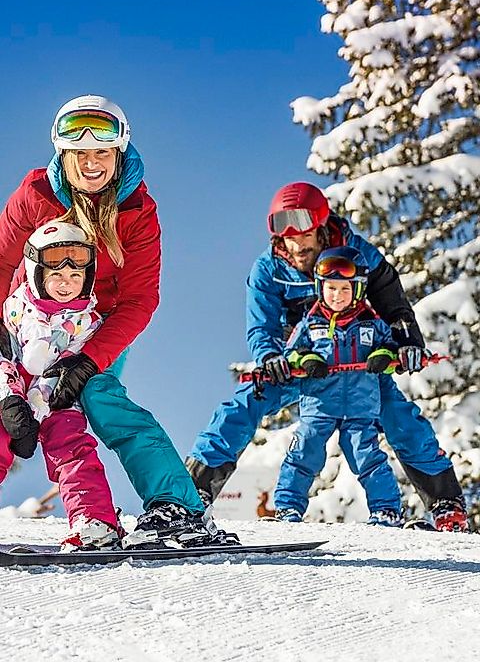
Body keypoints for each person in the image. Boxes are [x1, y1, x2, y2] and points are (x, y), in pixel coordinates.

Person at [0, 95, 229, 550]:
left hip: (91, 329)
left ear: (118, 151)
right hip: (26, 324)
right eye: (80, 153)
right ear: (63, 154)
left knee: (100, 399)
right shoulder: (36, 195)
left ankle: (176, 507)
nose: (91, 163)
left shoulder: (137, 211)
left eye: (102, 152)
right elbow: (1, 262)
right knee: (6, 410)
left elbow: (139, 299)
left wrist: (88, 361)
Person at [186, 181, 468, 532]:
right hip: (304, 364)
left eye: (304, 234)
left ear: (320, 227)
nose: (296, 245)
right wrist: (271, 357)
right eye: (287, 236)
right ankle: (191, 495)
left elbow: (393, 304)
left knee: (400, 418)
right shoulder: (269, 269)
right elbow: (261, 326)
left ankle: (445, 505)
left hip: (360, 364)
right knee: (242, 405)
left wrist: (407, 343)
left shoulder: (357, 253)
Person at [0, 222, 122, 550]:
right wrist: (9, 399)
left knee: (71, 449)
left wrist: (43, 405)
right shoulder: (14, 309)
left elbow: (72, 365)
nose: (66, 283)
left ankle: (94, 522)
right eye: (56, 274)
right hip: (13, 395)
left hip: (57, 399)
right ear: (36, 273)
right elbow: (3, 356)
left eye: (75, 275)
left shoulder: (88, 322)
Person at [274, 246, 402, 526]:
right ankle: (287, 508)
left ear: (358, 290)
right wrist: (306, 359)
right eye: (331, 288)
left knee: (366, 456)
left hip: (360, 405)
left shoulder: (371, 323)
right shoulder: (311, 323)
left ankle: (386, 510)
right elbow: (290, 352)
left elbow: (392, 347)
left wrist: (383, 355)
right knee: (304, 451)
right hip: (319, 404)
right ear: (321, 288)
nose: (337, 295)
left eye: (345, 289)